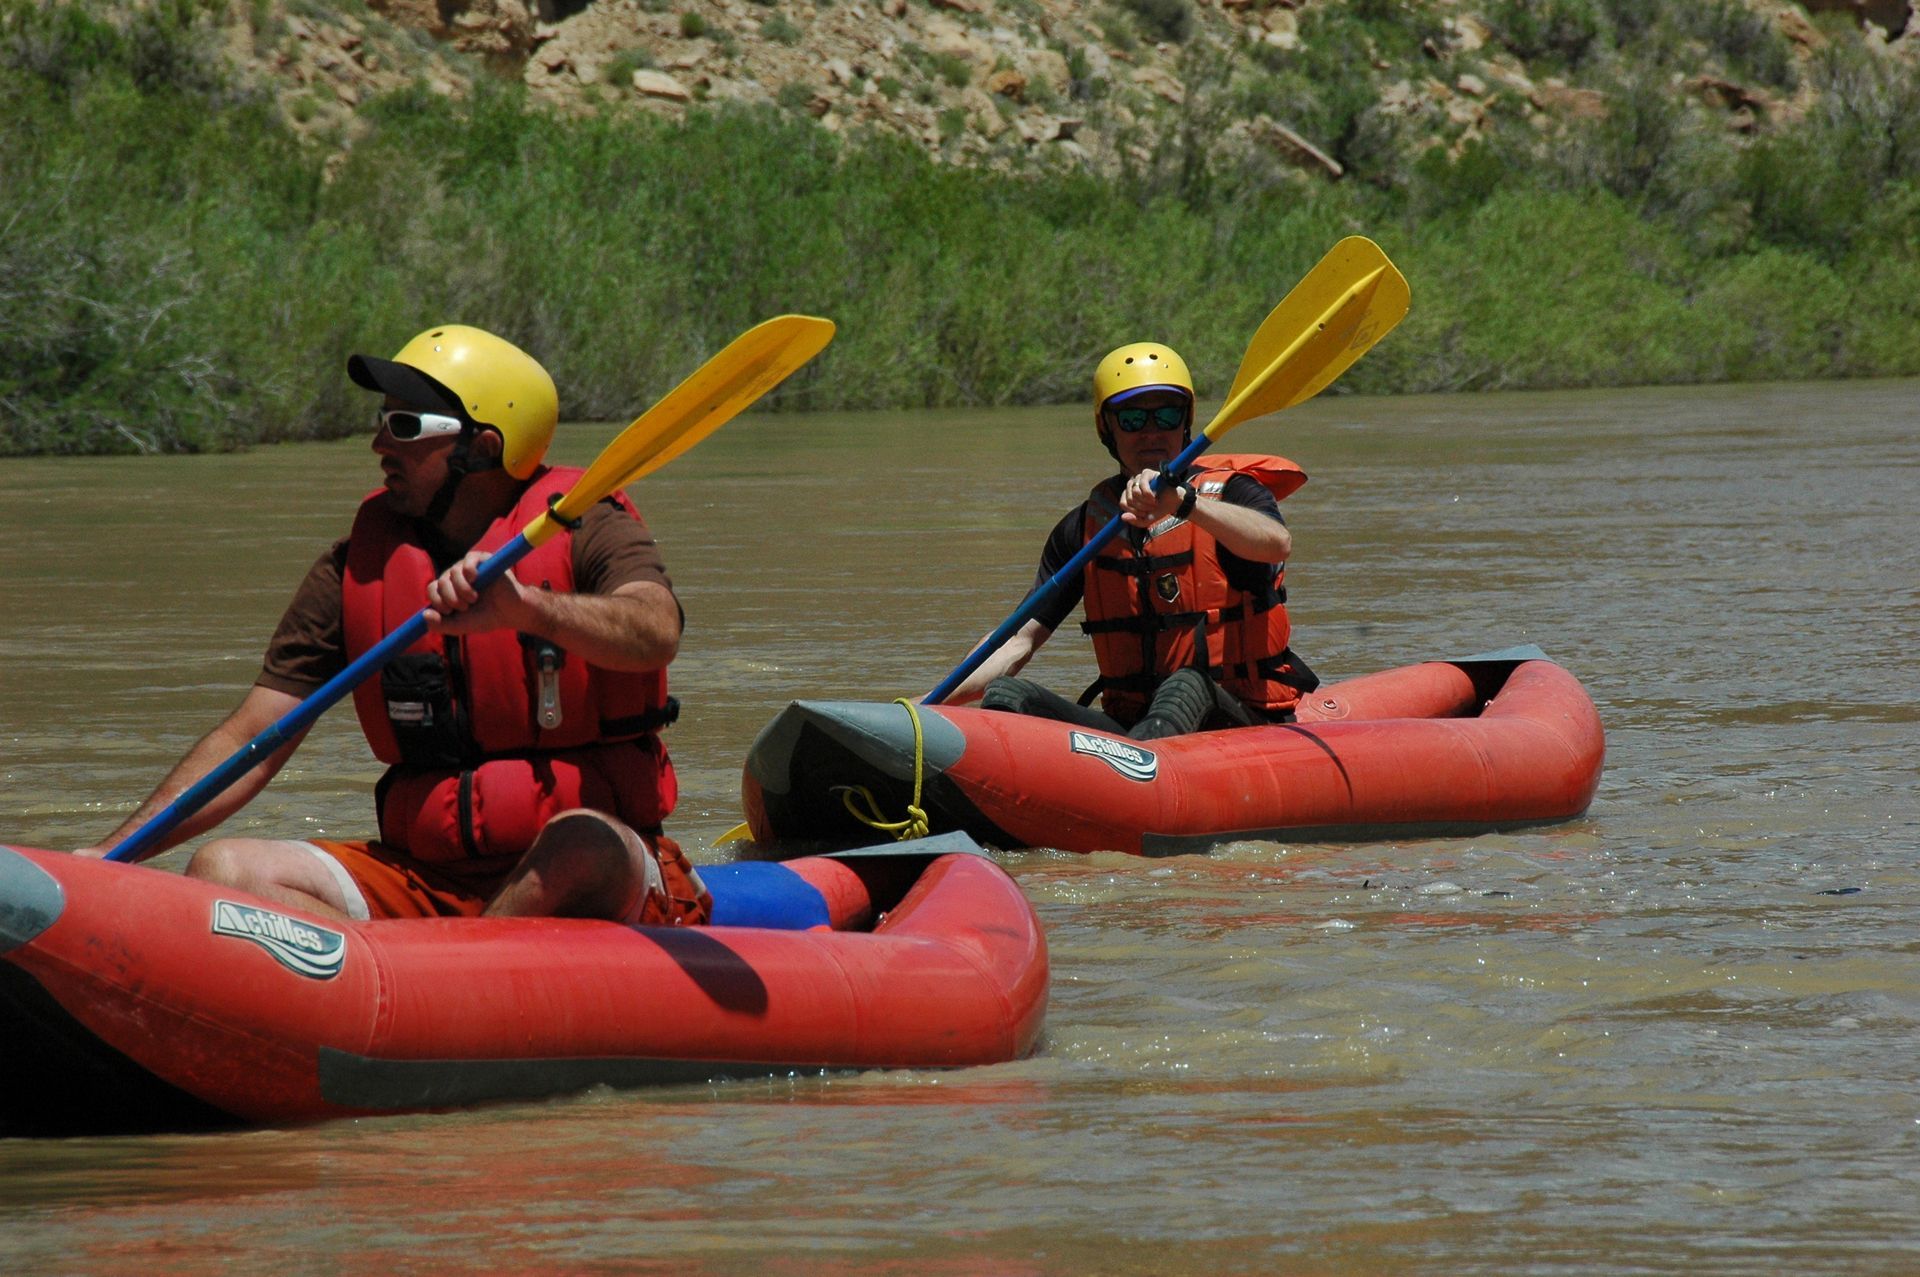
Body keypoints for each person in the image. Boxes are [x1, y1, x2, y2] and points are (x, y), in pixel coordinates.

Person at [79, 325, 709, 927]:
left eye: (404, 426)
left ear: (483, 447)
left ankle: (449, 979)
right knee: (223, 870)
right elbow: (252, 738)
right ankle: (417, 980)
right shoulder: (359, 565)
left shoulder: (587, 525)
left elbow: (656, 629)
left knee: (581, 842)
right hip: (426, 877)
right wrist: (107, 859)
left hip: (597, 867)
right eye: (381, 423)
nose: (381, 444)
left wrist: (531, 609)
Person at [949, 341, 1319, 741]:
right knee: (1008, 694)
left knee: (1185, 686)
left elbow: (1275, 544)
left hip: (1239, 721)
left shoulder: (1231, 495)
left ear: (1186, 421)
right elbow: (1015, 643)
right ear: (1106, 427)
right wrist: (926, 708)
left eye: (1167, 414)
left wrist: (1183, 503)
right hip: (1131, 733)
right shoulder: (1084, 530)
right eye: (1132, 419)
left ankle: (1139, 775)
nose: (1152, 432)